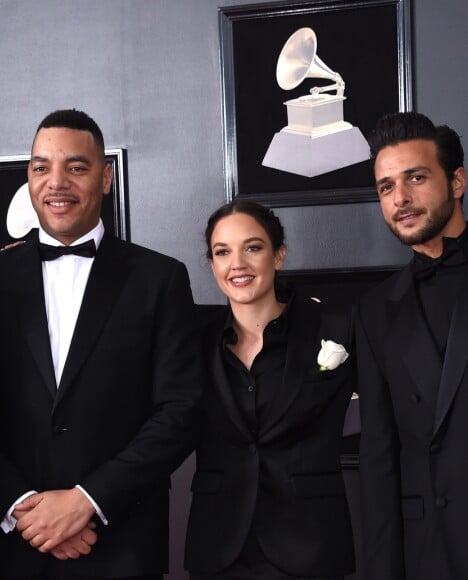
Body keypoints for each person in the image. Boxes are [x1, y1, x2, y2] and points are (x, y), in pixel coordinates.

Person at [0, 108, 204, 580]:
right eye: (41, 168)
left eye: (76, 167)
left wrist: (86, 501)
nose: (56, 182)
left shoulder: (160, 279)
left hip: (122, 545)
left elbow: (181, 411)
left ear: (106, 177)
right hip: (8, 548)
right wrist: (22, 509)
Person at [185, 200, 355, 580]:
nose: (237, 264)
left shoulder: (336, 326)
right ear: (212, 264)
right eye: (222, 252)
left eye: (253, 247)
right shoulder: (192, 337)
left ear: (279, 255)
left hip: (311, 544)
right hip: (219, 546)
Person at [357, 111, 468, 579]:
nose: (400, 198)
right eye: (386, 187)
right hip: (428, 552)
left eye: (415, 178)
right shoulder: (376, 309)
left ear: (457, 181)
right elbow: (379, 459)